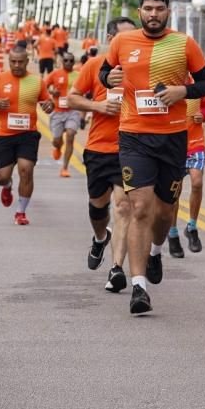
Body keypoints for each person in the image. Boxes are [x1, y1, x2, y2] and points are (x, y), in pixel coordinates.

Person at [100, 0, 205, 315]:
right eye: (147, 8)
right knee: (140, 209)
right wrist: (110, 78)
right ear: (140, 12)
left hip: (173, 137)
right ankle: (139, 287)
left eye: (159, 9)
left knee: (164, 214)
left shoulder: (184, 43)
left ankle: (156, 251)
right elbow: (106, 72)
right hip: (134, 135)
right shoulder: (122, 42)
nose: (153, 14)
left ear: (168, 12)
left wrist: (183, 91)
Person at [70, 17, 137, 287]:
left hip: (131, 147)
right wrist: (98, 107)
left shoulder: (143, 68)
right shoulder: (95, 65)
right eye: (125, 37)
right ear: (111, 40)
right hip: (99, 148)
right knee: (99, 207)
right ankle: (100, 238)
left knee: (123, 207)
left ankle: (117, 269)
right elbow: (72, 97)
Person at [0, 46, 42, 225]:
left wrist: (49, 106)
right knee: (1, 177)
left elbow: (47, 101)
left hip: (28, 134)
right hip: (4, 134)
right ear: (9, 61)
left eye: (20, 62)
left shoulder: (36, 81)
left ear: (27, 61)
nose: (16, 65)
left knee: (26, 170)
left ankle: (21, 212)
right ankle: (7, 187)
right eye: (13, 61)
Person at [169, 94, 205, 257]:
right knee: (175, 191)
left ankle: (191, 227)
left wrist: (203, 115)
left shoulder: (197, 86)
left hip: (196, 144)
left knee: (197, 182)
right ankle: (173, 234)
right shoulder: (168, 83)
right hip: (174, 145)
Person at [44, 51, 82, 179]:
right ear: (62, 61)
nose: (69, 63)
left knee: (71, 135)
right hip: (57, 112)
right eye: (66, 60)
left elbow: (85, 90)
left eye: (71, 61)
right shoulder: (55, 74)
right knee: (56, 140)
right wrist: (51, 91)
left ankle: (65, 167)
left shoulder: (78, 75)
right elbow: (44, 86)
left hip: (73, 111)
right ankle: (57, 147)